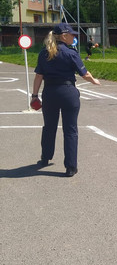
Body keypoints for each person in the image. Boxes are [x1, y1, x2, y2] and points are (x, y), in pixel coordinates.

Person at [32, 23, 101, 177]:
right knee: (70, 130)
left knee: (49, 127)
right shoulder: (71, 53)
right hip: (68, 92)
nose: (74, 37)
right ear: (64, 36)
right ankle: (70, 167)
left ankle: (45, 157)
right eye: (72, 34)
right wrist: (94, 81)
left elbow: (38, 76)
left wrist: (34, 95)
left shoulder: (44, 53)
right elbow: (84, 73)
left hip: (50, 92)